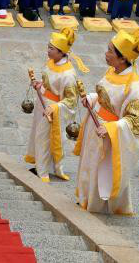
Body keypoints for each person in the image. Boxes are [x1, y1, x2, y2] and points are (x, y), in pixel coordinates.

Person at [74, 27, 139, 215]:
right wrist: (92, 99)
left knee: (102, 169)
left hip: (109, 133)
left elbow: (136, 123)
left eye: (110, 51)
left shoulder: (134, 86)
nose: (106, 54)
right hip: (96, 124)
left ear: (123, 58)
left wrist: (112, 128)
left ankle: (97, 205)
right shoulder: (112, 71)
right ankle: (85, 198)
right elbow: (104, 96)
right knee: (89, 163)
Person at [25, 27, 88, 181]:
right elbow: (48, 82)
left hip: (53, 109)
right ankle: (42, 164)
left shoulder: (68, 74)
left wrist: (54, 107)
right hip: (43, 103)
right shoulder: (51, 62)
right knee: (39, 135)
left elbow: (71, 100)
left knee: (45, 138)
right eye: (48, 47)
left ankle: (43, 170)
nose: (48, 51)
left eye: (51, 49)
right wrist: (41, 85)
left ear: (61, 52)